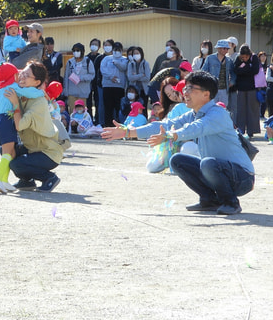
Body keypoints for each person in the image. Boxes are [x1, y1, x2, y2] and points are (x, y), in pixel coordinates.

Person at [102, 70, 255, 215]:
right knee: (177, 160)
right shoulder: (193, 114)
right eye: (185, 88)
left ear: (206, 94)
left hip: (243, 177)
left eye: (190, 88)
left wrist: (171, 135)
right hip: (218, 169)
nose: (185, 92)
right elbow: (165, 124)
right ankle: (209, 200)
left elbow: (196, 128)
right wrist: (128, 132)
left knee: (208, 163)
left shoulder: (218, 113)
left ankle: (231, 202)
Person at [6, 61, 65, 192]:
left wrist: (15, 105)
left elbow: (19, 125)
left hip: (48, 152)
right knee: (6, 150)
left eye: (27, 76)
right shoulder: (23, 95)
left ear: (37, 82)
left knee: (16, 164)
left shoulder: (38, 102)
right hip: (33, 147)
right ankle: (27, 181)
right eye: (22, 73)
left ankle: (49, 178)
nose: (22, 77)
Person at [0, 63, 46, 193]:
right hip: (7, 121)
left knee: (11, 152)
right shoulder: (12, 87)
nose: (19, 76)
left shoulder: (0, 87)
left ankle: (4, 180)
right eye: (17, 74)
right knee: (8, 152)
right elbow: (30, 92)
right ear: (13, 76)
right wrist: (41, 92)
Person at [233, 44, 261, 138]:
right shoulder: (238, 58)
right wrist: (247, 68)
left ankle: (251, 130)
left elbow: (255, 70)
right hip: (240, 88)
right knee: (240, 110)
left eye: (246, 57)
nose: (244, 58)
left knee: (252, 110)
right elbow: (235, 70)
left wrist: (243, 69)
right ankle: (240, 129)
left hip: (252, 88)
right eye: (243, 57)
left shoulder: (255, 58)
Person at [100, 40, 128, 127]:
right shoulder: (106, 58)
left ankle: (119, 125)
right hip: (107, 86)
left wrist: (116, 62)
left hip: (119, 87)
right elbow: (102, 70)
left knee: (118, 107)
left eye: (119, 49)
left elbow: (124, 68)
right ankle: (108, 125)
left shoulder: (124, 59)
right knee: (108, 107)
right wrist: (111, 76)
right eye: (115, 49)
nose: (117, 51)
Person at [63, 42, 95, 113]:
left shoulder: (88, 61)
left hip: (83, 93)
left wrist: (80, 78)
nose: (75, 52)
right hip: (71, 92)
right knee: (72, 112)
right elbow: (66, 77)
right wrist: (66, 91)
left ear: (82, 51)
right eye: (74, 51)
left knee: (82, 113)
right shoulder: (70, 62)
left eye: (77, 50)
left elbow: (92, 75)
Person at [203, 39, 235, 107]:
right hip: (212, 88)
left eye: (227, 49)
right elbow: (203, 71)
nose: (226, 50)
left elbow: (233, 73)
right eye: (224, 48)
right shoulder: (210, 58)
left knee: (223, 108)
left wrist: (231, 82)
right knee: (211, 108)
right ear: (218, 48)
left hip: (224, 89)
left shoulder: (229, 60)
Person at [86, 38, 104, 121]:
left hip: (98, 82)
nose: (94, 46)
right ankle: (89, 118)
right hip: (88, 82)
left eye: (96, 44)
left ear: (99, 47)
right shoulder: (86, 58)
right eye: (92, 44)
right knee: (88, 101)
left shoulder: (101, 57)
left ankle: (97, 118)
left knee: (98, 101)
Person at [255, 51, 268, 119]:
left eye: (264, 56)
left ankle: (262, 114)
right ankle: (258, 113)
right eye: (262, 56)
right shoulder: (257, 66)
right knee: (258, 99)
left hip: (266, 85)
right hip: (258, 85)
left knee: (265, 100)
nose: (263, 57)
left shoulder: (267, 66)